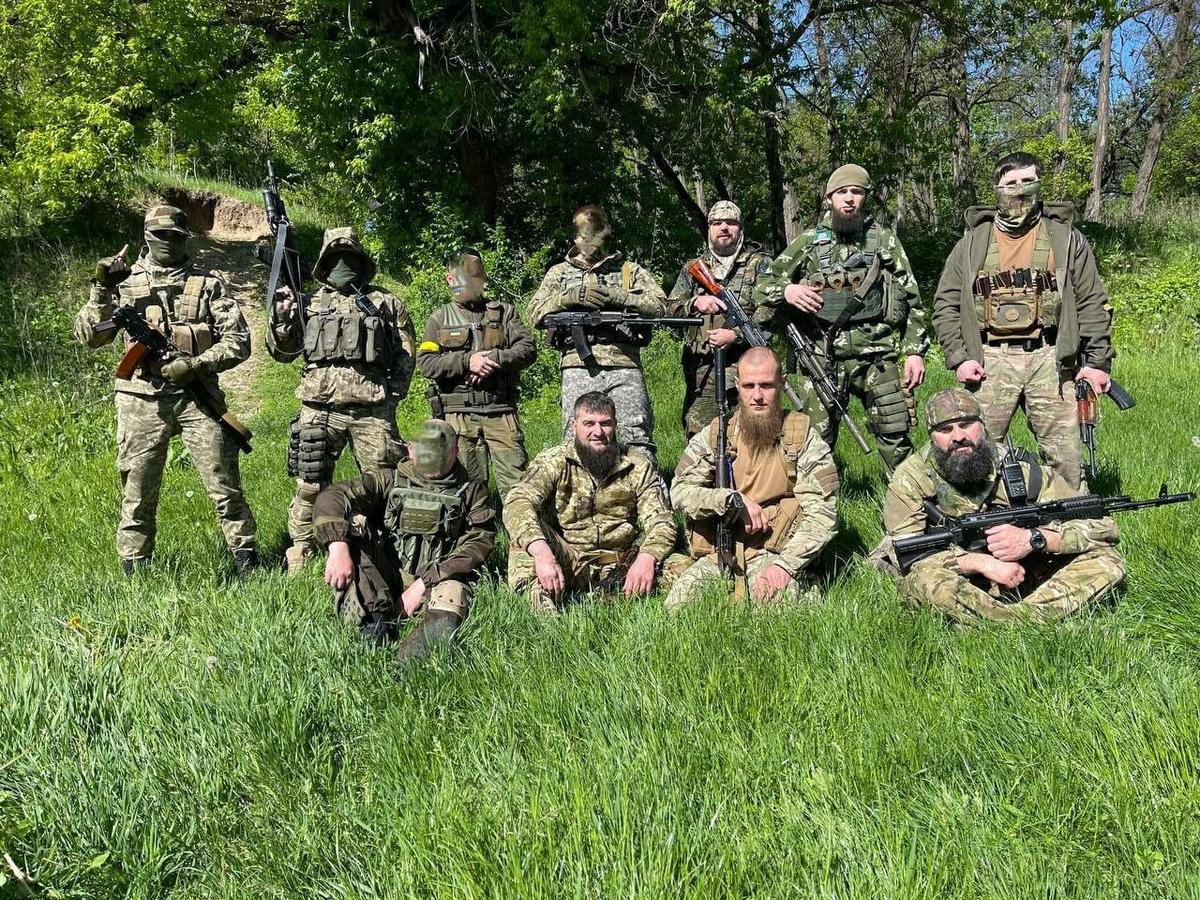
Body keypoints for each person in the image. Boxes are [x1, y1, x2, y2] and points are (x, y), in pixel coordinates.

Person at [73, 205, 259, 576]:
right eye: (161, 237)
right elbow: (90, 336)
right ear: (146, 237)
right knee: (137, 488)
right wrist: (100, 289)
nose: (168, 243)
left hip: (196, 396)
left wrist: (197, 364)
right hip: (140, 399)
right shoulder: (123, 285)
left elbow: (239, 340)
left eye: (176, 237)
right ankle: (135, 567)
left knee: (224, 485)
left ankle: (247, 560)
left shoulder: (208, 284)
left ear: (185, 239)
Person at [932, 151, 1114, 489]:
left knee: (1066, 458)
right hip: (989, 361)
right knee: (972, 452)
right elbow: (945, 306)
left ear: (1039, 184)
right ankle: (972, 527)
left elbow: (1092, 301)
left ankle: (1073, 528)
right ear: (997, 189)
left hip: (1050, 358)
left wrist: (1098, 361)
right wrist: (959, 357)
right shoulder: (972, 244)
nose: (1019, 189)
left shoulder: (1066, 239)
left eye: (1027, 181)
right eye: (1010, 183)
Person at [874, 389, 1125, 624]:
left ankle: (1015, 620)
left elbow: (1104, 528)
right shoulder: (912, 477)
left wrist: (1035, 539)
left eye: (966, 425)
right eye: (945, 429)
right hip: (960, 578)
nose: (958, 436)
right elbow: (903, 552)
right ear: (931, 436)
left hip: (1025, 571)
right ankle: (1025, 622)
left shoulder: (1020, 469)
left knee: (1107, 561)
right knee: (926, 581)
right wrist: (981, 563)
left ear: (983, 426)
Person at [755, 164, 928, 474]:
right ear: (829, 198)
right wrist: (789, 290)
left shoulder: (885, 241)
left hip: (877, 357)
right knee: (812, 445)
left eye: (857, 192)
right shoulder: (808, 242)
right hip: (822, 358)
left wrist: (915, 351)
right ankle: (814, 514)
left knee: (895, 437)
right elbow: (764, 286)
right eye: (842, 192)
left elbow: (912, 298)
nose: (849, 199)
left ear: (865, 198)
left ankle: (911, 511)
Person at [266, 227, 416, 574]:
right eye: (335, 258)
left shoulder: (384, 302)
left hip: (371, 411)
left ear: (363, 262)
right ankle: (301, 552)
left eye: (348, 258)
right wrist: (283, 319)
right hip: (319, 409)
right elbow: (283, 352)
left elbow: (406, 354)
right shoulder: (309, 303)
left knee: (384, 484)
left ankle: (388, 551)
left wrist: (391, 396)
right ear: (323, 262)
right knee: (309, 483)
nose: (342, 265)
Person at [665, 347, 839, 609]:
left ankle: (806, 583)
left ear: (782, 384)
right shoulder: (716, 435)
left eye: (766, 386)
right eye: (749, 386)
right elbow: (679, 491)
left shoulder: (800, 437)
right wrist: (728, 499)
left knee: (777, 613)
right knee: (677, 611)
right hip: (719, 552)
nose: (757, 396)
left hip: (776, 552)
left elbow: (823, 513)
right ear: (737, 385)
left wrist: (785, 566)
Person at [313, 419, 495, 661]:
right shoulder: (387, 480)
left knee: (454, 592)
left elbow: (478, 542)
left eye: (442, 453)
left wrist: (424, 582)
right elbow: (333, 496)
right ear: (410, 449)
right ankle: (374, 625)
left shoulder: (472, 492)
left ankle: (416, 660)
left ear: (456, 451)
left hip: (438, 580)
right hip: (386, 574)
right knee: (353, 531)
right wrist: (337, 545)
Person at [503, 391, 677, 613]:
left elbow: (662, 520)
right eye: (589, 423)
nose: (598, 432)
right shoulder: (554, 461)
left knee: (686, 570)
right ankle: (545, 619)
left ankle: (669, 618)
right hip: (567, 559)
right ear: (574, 426)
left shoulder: (637, 465)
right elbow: (518, 500)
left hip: (623, 561)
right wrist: (541, 552)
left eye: (605, 424)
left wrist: (647, 557)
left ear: (615, 425)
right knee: (523, 538)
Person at [528, 205, 667, 460]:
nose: (590, 245)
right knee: (576, 439)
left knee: (637, 437)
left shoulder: (629, 271)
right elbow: (534, 313)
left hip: (624, 362)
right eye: (584, 238)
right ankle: (578, 496)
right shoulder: (560, 273)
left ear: (607, 236)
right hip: (578, 365)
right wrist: (569, 297)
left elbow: (660, 306)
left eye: (596, 238)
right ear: (575, 239)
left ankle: (646, 494)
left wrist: (620, 296)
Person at [417, 249, 536, 498]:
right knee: (467, 491)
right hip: (459, 418)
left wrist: (493, 359)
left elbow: (527, 350)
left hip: (500, 411)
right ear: (450, 279)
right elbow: (426, 363)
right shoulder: (439, 319)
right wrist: (467, 361)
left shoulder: (504, 312)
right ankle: (477, 537)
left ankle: (520, 536)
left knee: (518, 490)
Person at [666, 200, 774, 438]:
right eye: (717, 223)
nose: (724, 227)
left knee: (754, 436)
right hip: (702, 369)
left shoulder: (761, 264)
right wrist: (695, 303)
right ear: (709, 229)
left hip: (749, 368)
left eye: (731, 222)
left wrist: (734, 335)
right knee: (700, 439)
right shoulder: (693, 268)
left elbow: (771, 311)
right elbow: (669, 310)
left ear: (740, 229)